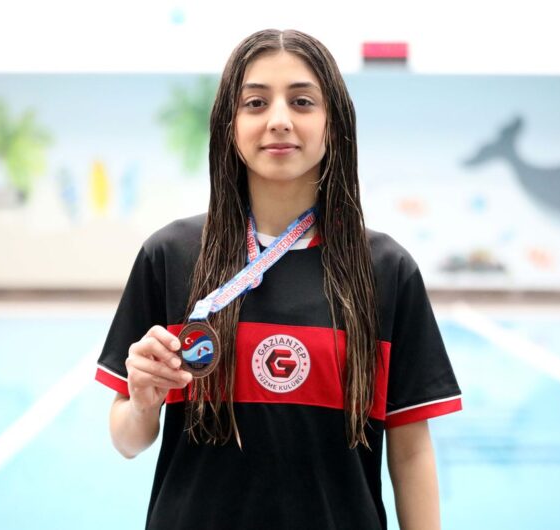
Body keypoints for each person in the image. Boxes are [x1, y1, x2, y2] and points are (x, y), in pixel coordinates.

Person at [95, 28, 462, 530]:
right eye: (255, 103)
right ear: (230, 124)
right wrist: (141, 402)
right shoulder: (171, 256)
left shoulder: (384, 270)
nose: (280, 120)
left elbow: (411, 450)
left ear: (334, 123)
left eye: (302, 101)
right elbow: (127, 440)